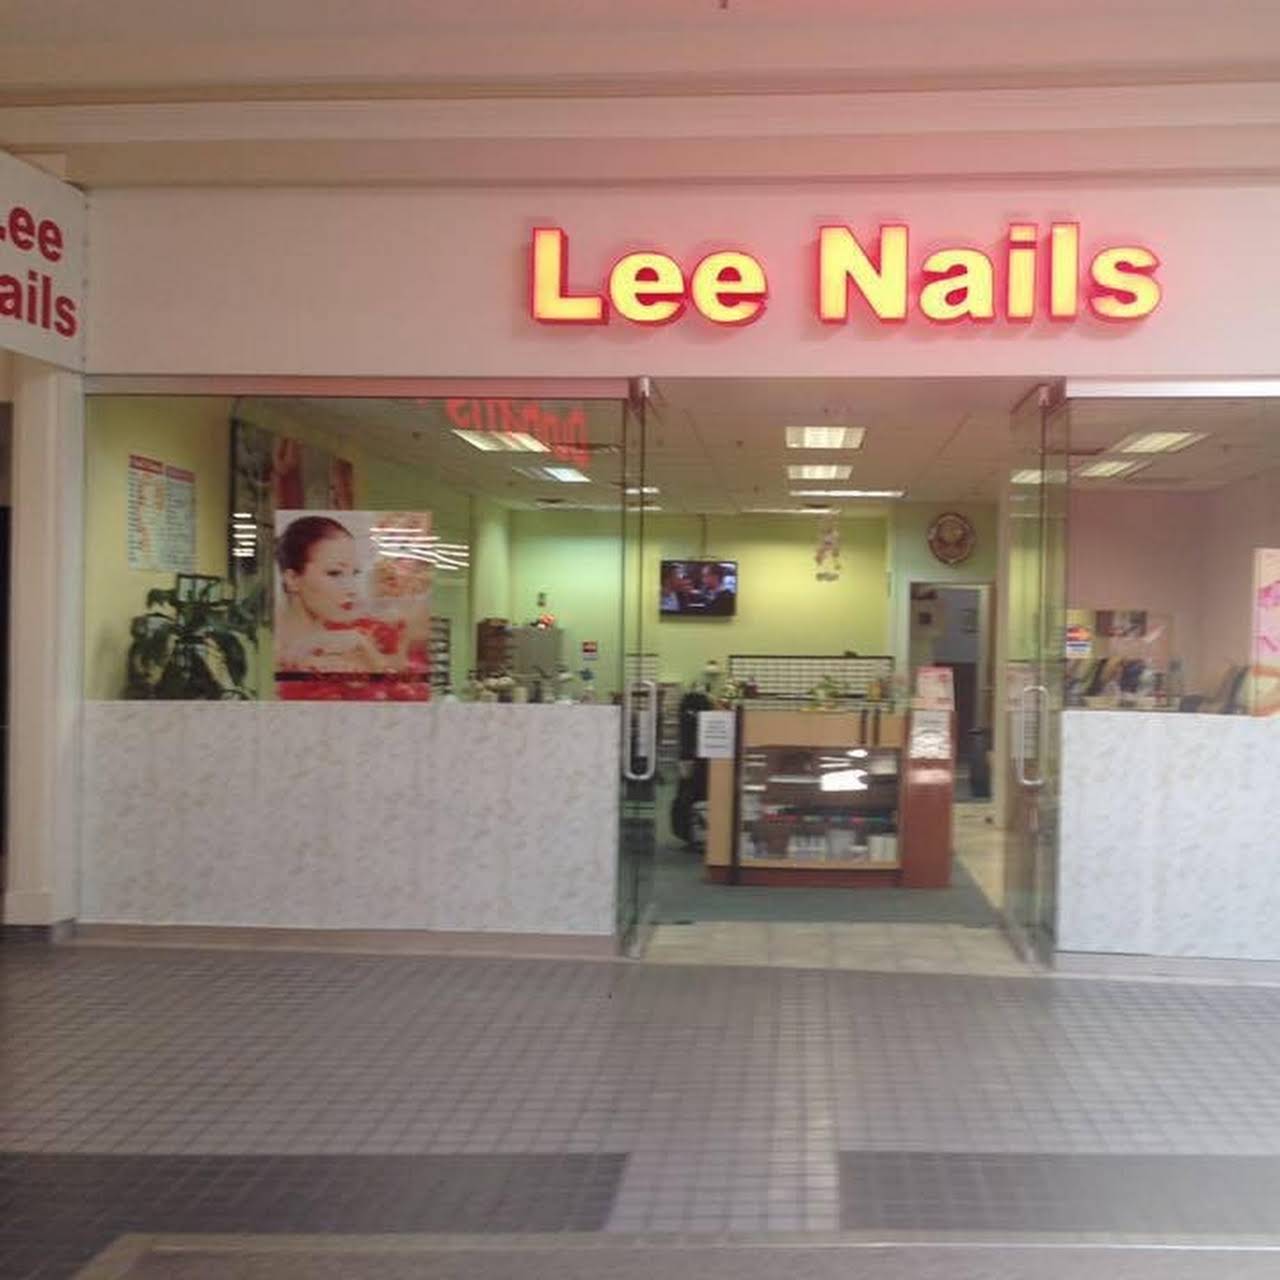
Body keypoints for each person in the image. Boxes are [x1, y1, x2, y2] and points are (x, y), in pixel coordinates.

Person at [274, 515, 430, 701]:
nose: (352, 589)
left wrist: (368, 650)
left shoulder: (355, 635)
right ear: (292, 579)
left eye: (354, 573)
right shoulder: (271, 655)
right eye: (335, 573)